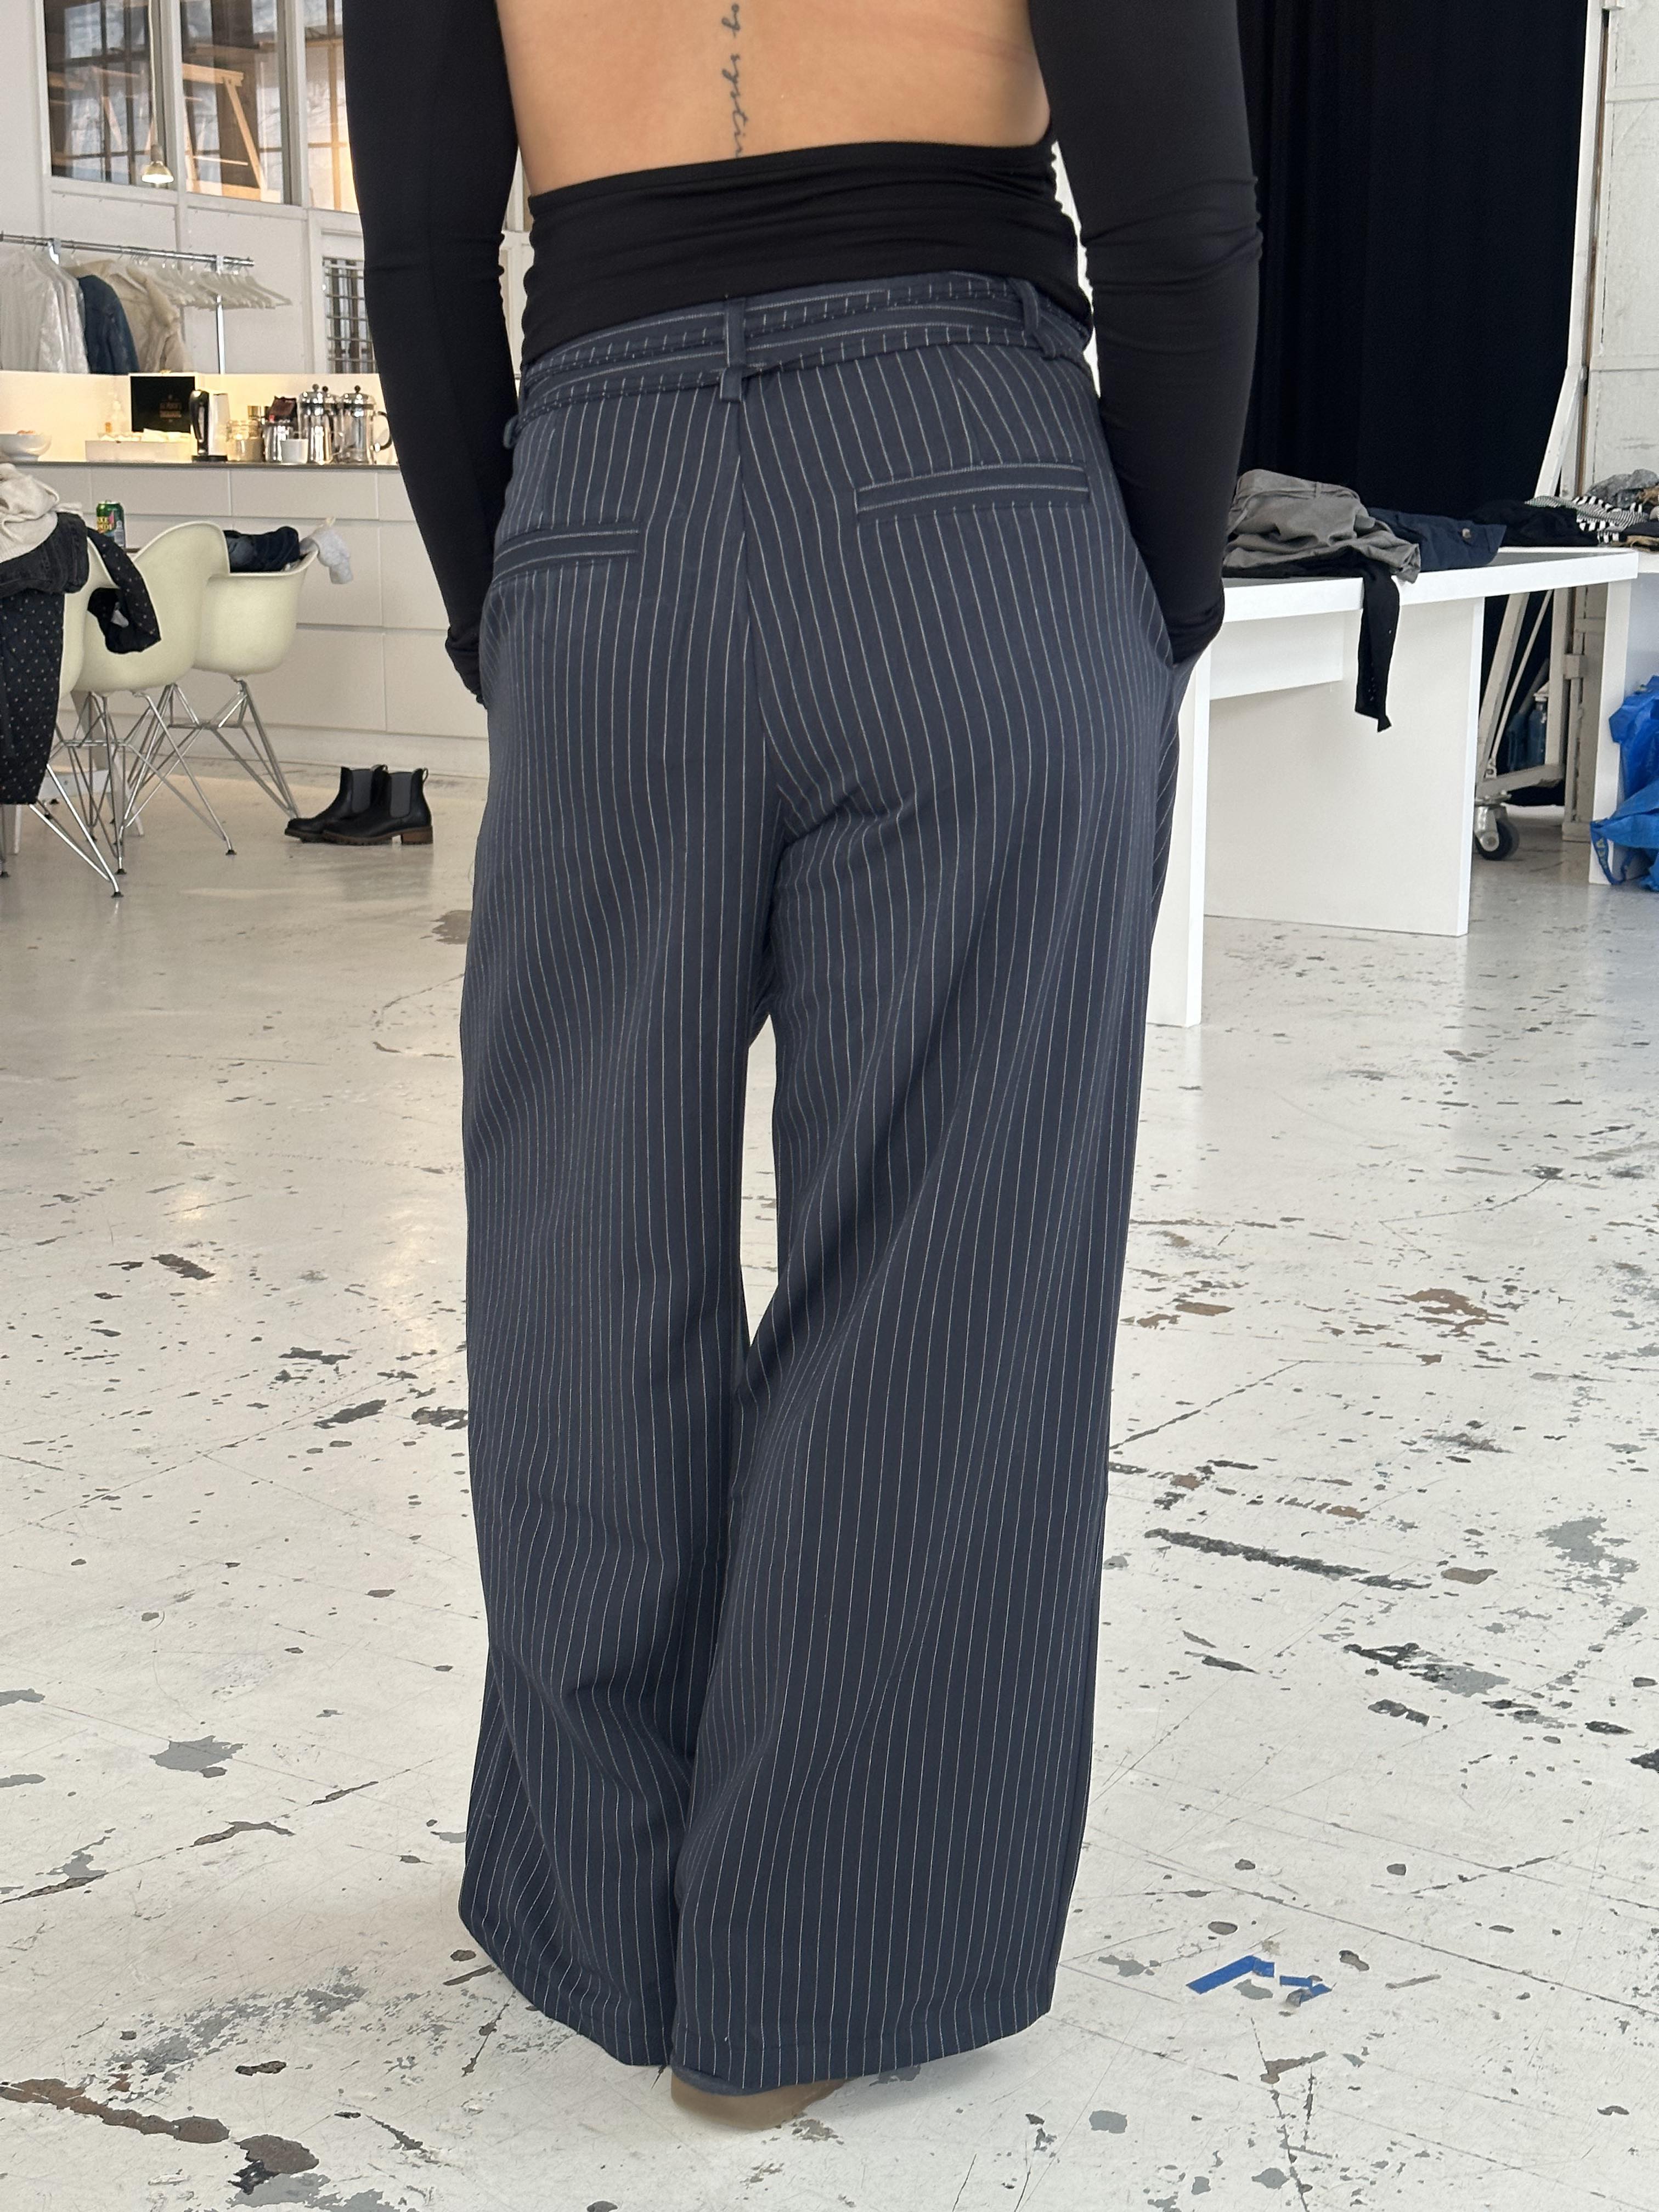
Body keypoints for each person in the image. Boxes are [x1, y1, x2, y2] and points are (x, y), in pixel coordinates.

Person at [343, 0, 1260, 2130]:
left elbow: (422, 260)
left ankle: (615, 1918)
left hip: (604, 503)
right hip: (973, 491)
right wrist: (1149, 609)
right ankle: (818, 1967)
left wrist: (513, 617)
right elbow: (1186, 231)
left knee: (581, 1253)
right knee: (949, 1272)